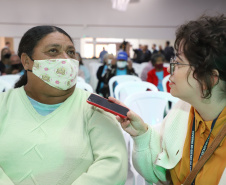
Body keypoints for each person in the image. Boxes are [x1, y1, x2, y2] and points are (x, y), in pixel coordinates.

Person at [0, 25, 128, 185]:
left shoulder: (94, 107)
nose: (66, 59)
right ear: (27, 61)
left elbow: (114, 164)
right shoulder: (3, 104)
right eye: (53, 51)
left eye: (71, 52)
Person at [109, 14, 226, 185]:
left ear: (209, 78)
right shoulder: (183, 110)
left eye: (178, 63)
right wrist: (142, 134)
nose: (170, 70)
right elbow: (157, 174)